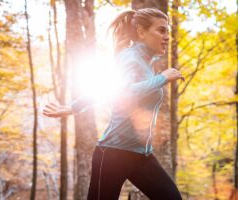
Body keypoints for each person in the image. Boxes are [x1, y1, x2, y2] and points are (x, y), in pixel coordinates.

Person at [43, 8, 183, 200]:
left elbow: (107, 87)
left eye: (168, 31)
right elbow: (122, 91)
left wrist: (73, 107)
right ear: (141, 32)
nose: (167, 37)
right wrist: (162, 78)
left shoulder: (143, 61)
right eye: (161, 30)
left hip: (141, 155)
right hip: (113, 155)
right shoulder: (130, 57)